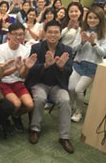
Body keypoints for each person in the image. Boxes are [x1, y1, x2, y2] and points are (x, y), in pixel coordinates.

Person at [25, 20, 75, 154]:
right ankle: (34, 129)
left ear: (60, 34)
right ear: (45, 33)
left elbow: (69, 71)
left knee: (65, 100)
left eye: (56, 32)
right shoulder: (37, 48)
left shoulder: (67, 50)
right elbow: (32, 69)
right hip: (40, 83)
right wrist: (45, 65)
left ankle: (64, 137)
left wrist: (61, 67)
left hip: (57, 85)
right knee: (40, 98)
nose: (53, 35)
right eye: (50, 32)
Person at [69, 6, 106, 122]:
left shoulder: (105, 34)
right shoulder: (82, 31)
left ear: (100, 19)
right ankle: (69, 106)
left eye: (95, 18)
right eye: (90, 17)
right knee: (71, 87)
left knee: (78, 89)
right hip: (79, 63)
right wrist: (82, 42)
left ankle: (78, 111)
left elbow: (103, 53)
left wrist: (94, 44)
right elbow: (74, 48)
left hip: (93, 66)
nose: (91, 20)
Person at [0, 22, 37, 132]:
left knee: (30, 105)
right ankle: (7, 118)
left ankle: (15, 116)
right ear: (8, 35)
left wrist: (26, 67)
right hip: (2, 82)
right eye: (15, 34)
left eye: (21, 34)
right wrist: (15, 68)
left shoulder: (25, 50)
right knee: (16, 103)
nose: (19, 37)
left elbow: (22, 75)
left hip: (17, 82)